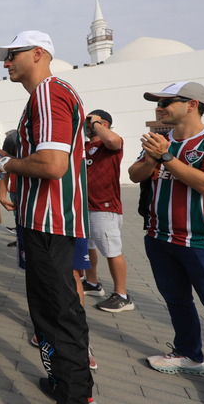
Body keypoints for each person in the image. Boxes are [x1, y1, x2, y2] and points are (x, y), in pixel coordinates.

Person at [0, 31, 94, 403]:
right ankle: (66, 383)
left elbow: (52, 164)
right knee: (54, 312)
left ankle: (74, 393)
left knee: (57, 315)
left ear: (37, 54)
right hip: (47, 221)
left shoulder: (48, 93)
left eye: (12, 55)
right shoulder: (46, 95)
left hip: (50, 223)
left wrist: (1, 163)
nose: (5, 63)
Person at [128, 82, 204, 404]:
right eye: (157, 102)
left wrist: (165, 157)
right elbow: (135, 174)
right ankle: (188, 354)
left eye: (167, 102)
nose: (159, 107)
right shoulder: (161, 140)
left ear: (192, 104)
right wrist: (155, 157)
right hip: (159, 237)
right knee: (177, 302)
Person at [81, 110, 134, 313]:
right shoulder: (85, 146)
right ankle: (93, 283)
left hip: (104, 207)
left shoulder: (109, 143)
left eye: (89, 121)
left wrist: (95, 123)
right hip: (85, 207)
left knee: (111, 251)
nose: (86, 125)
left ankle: (122, 295)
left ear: (102, 123)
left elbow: (112, 139)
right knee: (89, 247)